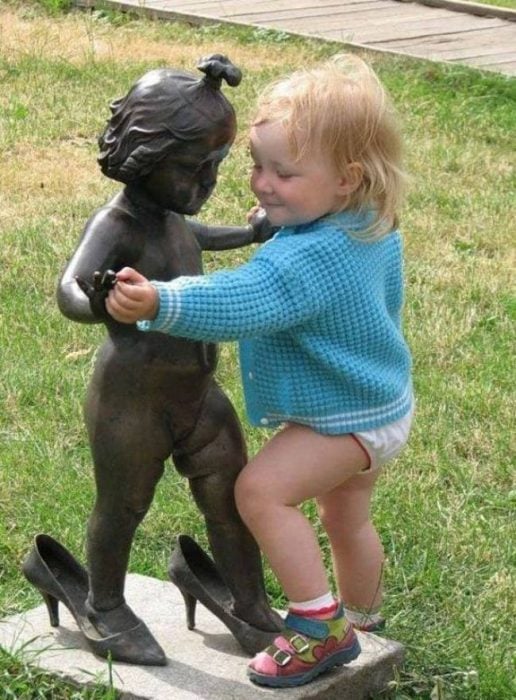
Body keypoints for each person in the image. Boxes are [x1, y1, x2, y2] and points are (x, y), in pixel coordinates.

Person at [106, 53, 413, 687]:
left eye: (284, 173)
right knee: (346, 517)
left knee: (259, 492)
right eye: (256, 165)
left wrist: (161, 301)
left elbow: (240, 303)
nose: (261, 183)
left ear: (347, 178)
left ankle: (318, 628)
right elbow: (334, 281)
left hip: (340, 420)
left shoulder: (303, 264)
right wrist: (279, 225)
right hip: (381, 407)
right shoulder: (368, 224)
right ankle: (362, 613)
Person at [55, 55, 280, 666]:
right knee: (124, 505)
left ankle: (250, 602)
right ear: (144, 155)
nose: (206, 179)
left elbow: (203, 235)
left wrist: (252, 234)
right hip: (132, 400)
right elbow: (68, 290)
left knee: (230, 498)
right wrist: (98, 300)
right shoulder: (118, 221)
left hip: (197, 392)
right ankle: (103, 602)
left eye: (217, 164)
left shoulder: (177, 220)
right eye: (193, 166)